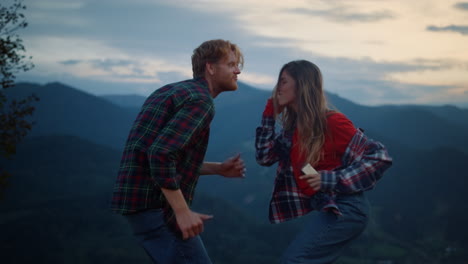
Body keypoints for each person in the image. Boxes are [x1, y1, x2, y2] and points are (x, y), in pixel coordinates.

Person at [111, 39, 246, 264]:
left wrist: (219, 169)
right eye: (231, 64)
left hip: (139, 206)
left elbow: (158, 155)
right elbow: (160, 154)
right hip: (157, 207)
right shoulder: (201, 102)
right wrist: (183, 212)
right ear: (210, 68)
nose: (237, 70)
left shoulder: (170, 91)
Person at [255, 60, 393, 263]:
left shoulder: (332, 122)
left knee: (294, 260)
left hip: (349, 209)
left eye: (283, 81)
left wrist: (329, 179)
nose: (278, 88)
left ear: (301, 85)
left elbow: (380, 157)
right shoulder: (295, 131)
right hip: (332, 207)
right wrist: (269, 115)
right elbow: (264, 157)